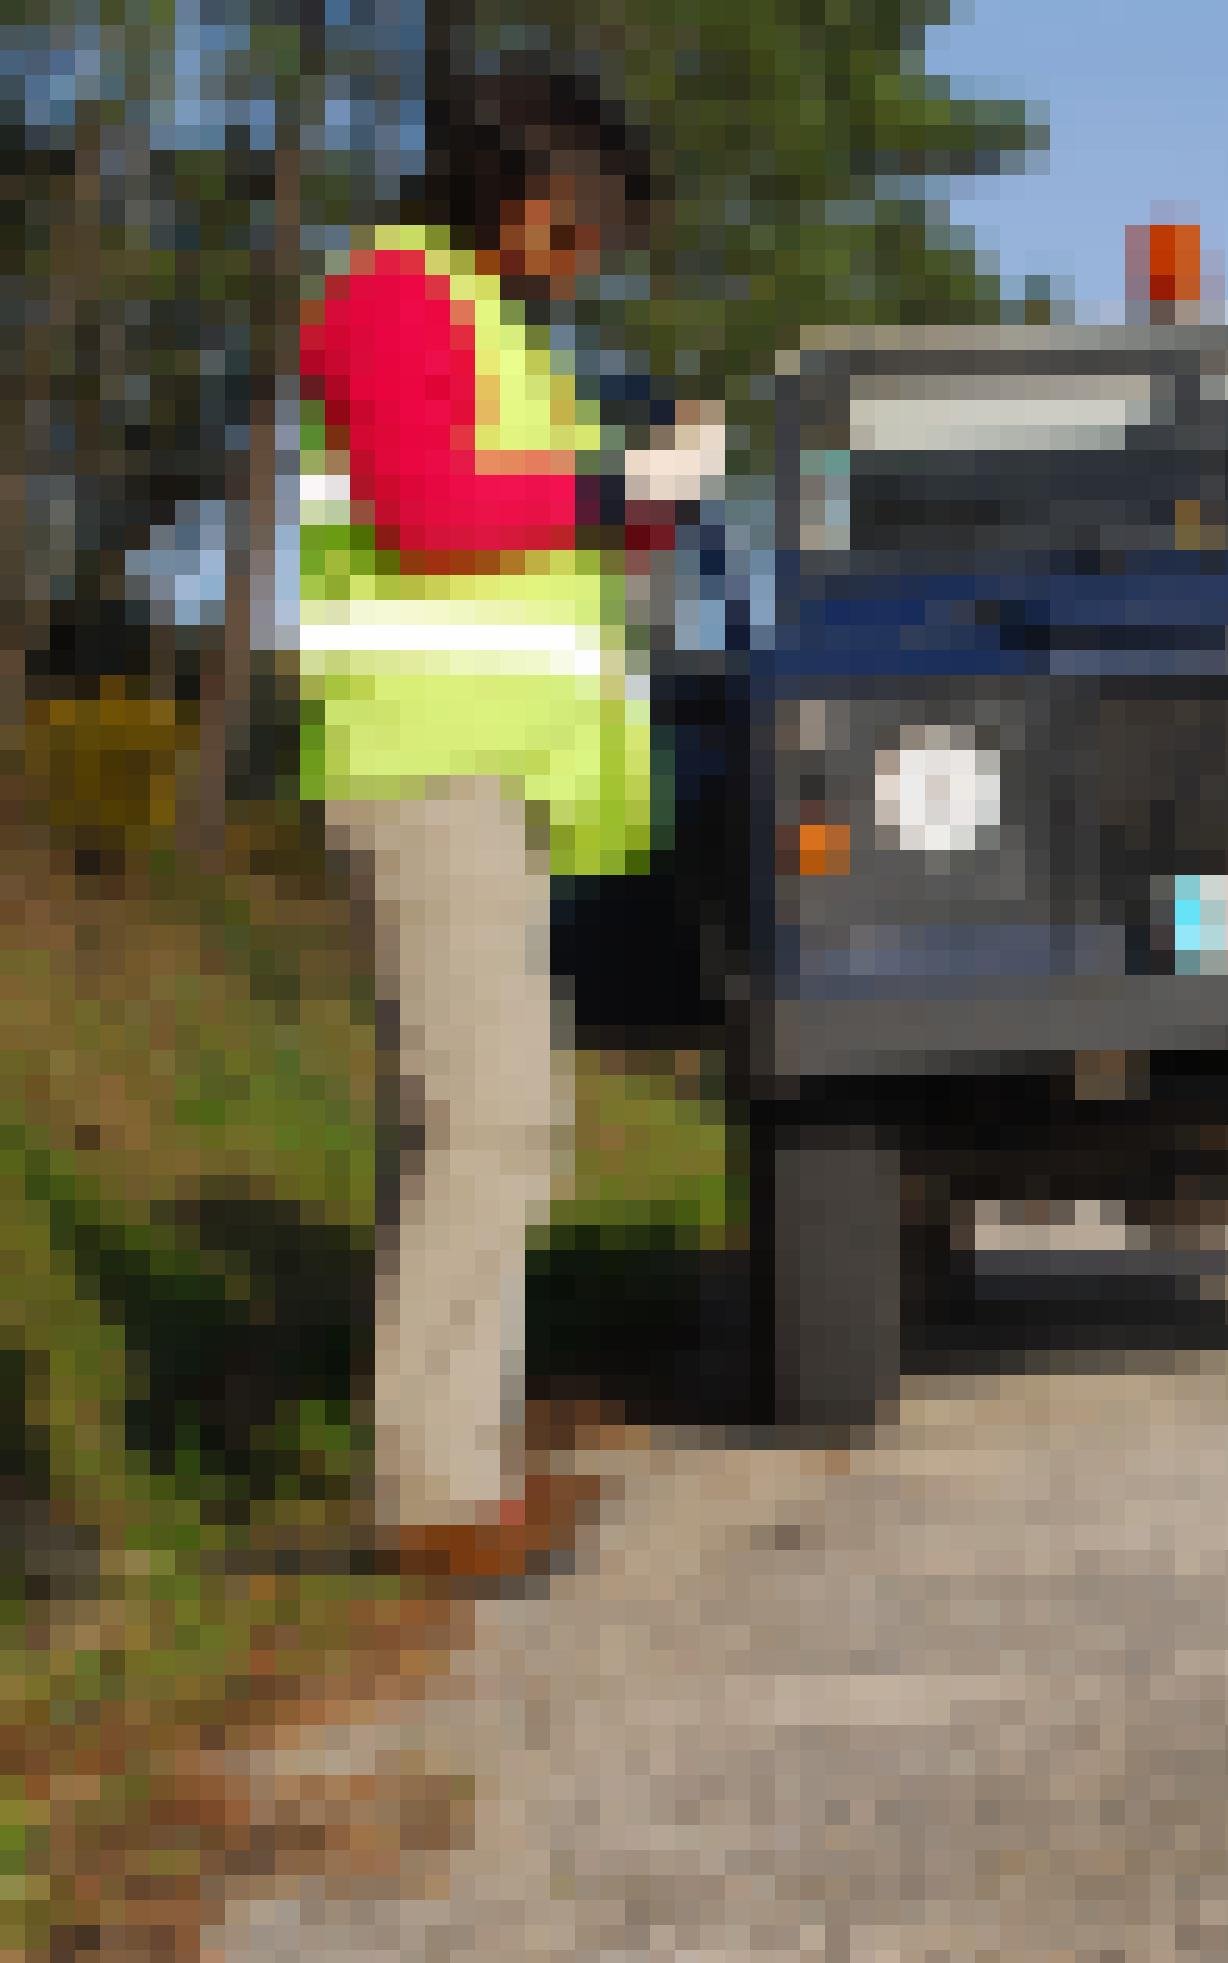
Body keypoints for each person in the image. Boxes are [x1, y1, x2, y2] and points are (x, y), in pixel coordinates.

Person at [294, 59, 726, 1568]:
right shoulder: (392, 302)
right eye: (589, 218)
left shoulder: (500, 334)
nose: (598, 248)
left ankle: (462, 1470)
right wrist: (613, 493)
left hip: (487, 779)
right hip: (425, 770)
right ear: (519, 197)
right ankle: (432, 1493)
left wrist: (658, 484)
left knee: (487, 1130)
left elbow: (551, 533)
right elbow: (429, 511)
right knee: (484, 1126)